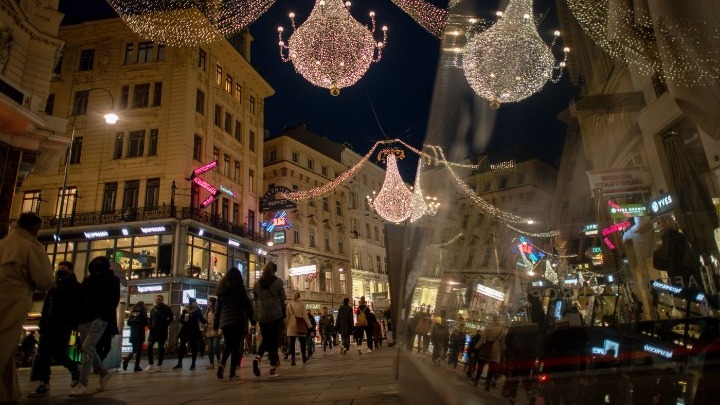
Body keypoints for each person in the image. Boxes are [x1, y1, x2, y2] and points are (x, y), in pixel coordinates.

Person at [0, 212, 54, 403]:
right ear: (34, 228)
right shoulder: (30, 245)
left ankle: (8, 394)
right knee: (5, 344)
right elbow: (46, 280)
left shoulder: (4, 243)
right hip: (13, 299)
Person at [28, 261, 82, 397]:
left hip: (63, 324)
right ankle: (44, 383)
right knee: (43, 354)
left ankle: (74, 368)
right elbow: (46, 307)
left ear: (70, 270)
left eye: (63, 268)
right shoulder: (53, 286)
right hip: (49, 324)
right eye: (59, 268)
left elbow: (76, 306)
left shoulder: (73, 286)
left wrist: (73, 324)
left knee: (58, 353)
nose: (60, 271)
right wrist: (41, 324)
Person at [70, 256, 120, 397]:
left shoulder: (112, 280)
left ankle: (83, 383)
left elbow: (113, 300)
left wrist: (104, 316)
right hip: (84, 319)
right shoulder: (88, 280)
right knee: (89, 349)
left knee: (86, 349)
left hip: (99, 319)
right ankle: (104, 373)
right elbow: (80, 299)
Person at [214, 267, 255, 380]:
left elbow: (217, 310)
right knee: (236, 346)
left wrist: (216, 325)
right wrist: (252, 320)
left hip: (226, 322)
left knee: (228, 345)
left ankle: (222, 364)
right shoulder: (240, 289)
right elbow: (247, 306)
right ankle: (232, 372)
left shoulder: (222, 290)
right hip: (238, 320)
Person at [252, 262, 286, 378]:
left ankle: (258, 358)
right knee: (273, 342)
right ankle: (272, 369)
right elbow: (283, 297)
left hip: (262, 316)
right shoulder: (277, 282)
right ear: (274, 271)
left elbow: (256, 298)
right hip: (275, 315)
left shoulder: (257, 284)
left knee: (266, 339)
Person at [472, 318, 507, 391]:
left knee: (481, 365)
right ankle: (487, 385)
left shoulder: (488, 329)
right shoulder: (502, 332)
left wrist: (476, 348)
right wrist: (501, 352)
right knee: (491, 369)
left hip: (486, 349)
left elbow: (482, 340)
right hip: (496, 351)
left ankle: (476, 379)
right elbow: (502, 344)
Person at [174, 297, 206, 370]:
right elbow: (180, 320)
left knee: (194, 347)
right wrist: (184, 320)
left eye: (195, 302)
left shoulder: (198, 311)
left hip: (194, 331)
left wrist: (207, 323)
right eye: (194, 302)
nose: (196, 303)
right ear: (191, 303)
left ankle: (193, 364)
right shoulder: (185, 310)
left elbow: (201, 319)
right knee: (182, 347)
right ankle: (179, 363)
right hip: (185, 330)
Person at [145, 294, 173, 372]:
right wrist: (150, 325)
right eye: (157, 299)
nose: (157, 300)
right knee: (149, 347)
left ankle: (159, 365)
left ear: (162, 300)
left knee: (161, 348)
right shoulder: (153, 309)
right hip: (153, 331)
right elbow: (150, 318)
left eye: (159, 299)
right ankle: (151, 364)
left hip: (161, 331)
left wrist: (165, 324)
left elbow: (171, 318)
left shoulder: (166, 308)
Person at [285, 291, 312, 366]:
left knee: (292, 344)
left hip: (291, 325)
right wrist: (310, 326)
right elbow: (305, 316)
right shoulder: (302, 304)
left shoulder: (289, 304)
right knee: (302, 342)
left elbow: (287, 317)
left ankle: (293, 359)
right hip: (300, 324)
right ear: (299, 296)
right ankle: (304, 357)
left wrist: (287, 327)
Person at [123, 301, 148, 372]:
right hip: (140, 332)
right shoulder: (143, 313)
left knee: (134, 349)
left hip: (133, 332)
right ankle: (136, 366)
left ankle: (126, 360)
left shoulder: (133, 313)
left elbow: (128, 323)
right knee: (139, 350)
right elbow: (146, 323)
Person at [204, 296, 221, 369]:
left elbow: (220, 321)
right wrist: (204, 327)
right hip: (208, 331)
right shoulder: (207, 311)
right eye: (208, 302)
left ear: (213, 303)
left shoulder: (217, 311)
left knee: (215, 347)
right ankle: (211, 363)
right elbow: (204, 321)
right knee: (210, 349)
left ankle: (218, 359)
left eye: (209, 302)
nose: (208, 303)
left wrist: (220, 330)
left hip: (216, 331)